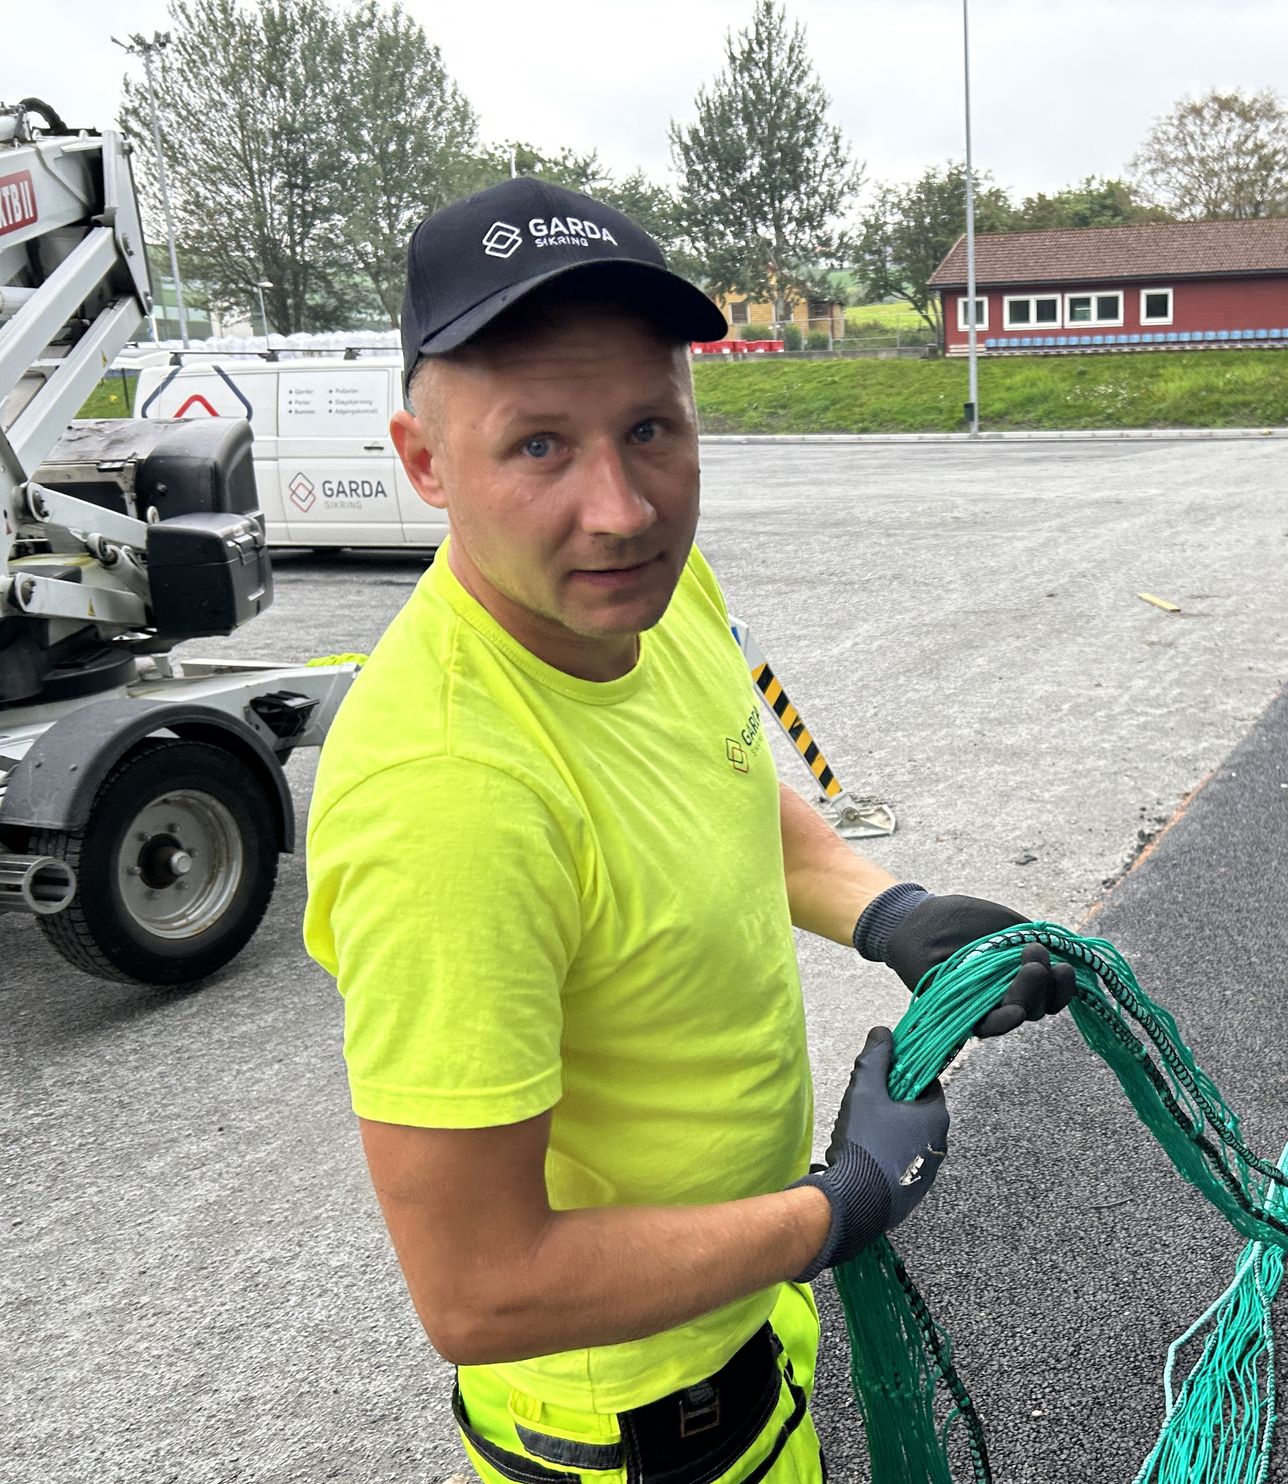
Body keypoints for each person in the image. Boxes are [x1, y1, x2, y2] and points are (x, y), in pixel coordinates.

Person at [303, 177, 1075, 1484]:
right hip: (635, 1441)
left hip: (752, 1345)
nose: (622, 508)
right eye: (538, 446)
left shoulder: (650, 595)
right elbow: (482, 1291)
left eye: (650, 427)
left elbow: (715, 795)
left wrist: (890, 913)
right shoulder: (446, 795)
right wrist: (838, 1211)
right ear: (426, 462)